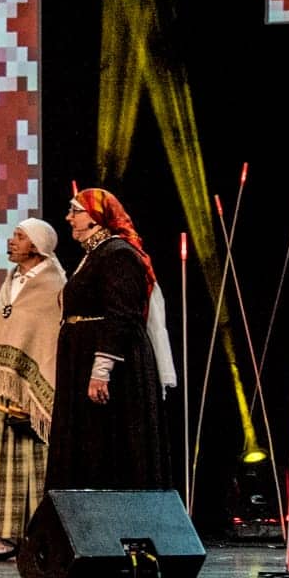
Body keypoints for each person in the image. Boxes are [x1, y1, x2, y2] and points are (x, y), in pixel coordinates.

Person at [47, 188, 170, 490]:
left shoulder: (118, 254)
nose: (69, 218)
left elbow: (121, 315)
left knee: (107, 440)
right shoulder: (94, 255)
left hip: (112, 365)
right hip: (82, 355)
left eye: (75, 211)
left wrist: (101, 371)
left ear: (96, 217)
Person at [0, 217, 65, 562]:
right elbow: (0, 329)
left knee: (35, 465)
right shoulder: (12, 282)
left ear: (37, 246)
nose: (11, 242)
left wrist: (31, 390)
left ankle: (37, 535)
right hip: (1, 392)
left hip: (31, 396)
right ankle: (6, 535)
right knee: (1, 463)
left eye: (20, 237)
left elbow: (46, 339)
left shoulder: (54, 286)